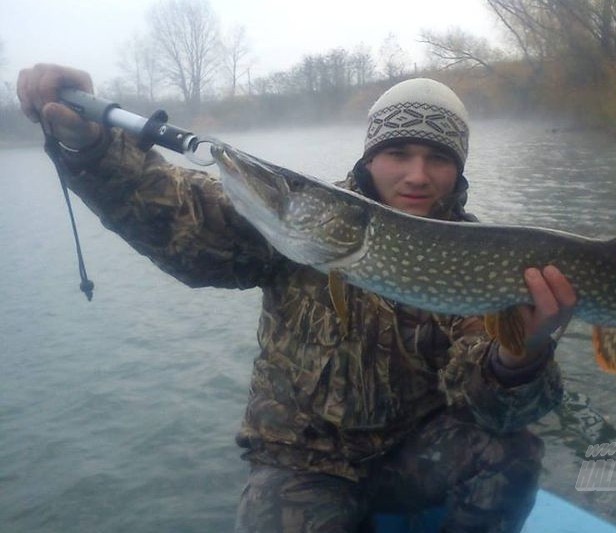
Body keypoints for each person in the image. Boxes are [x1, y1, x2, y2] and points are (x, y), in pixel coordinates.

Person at [18, 64, 577, 532]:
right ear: (367, 159)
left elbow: (488, 407)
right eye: (398, 152)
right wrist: (91, 145)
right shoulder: (300, 221)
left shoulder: (481, 256)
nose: (417, 174)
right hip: (304, 463)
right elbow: (176, 212)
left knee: (513, 454)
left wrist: (519, 357)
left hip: (411, 457)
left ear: (458, 169)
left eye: (438, 158)